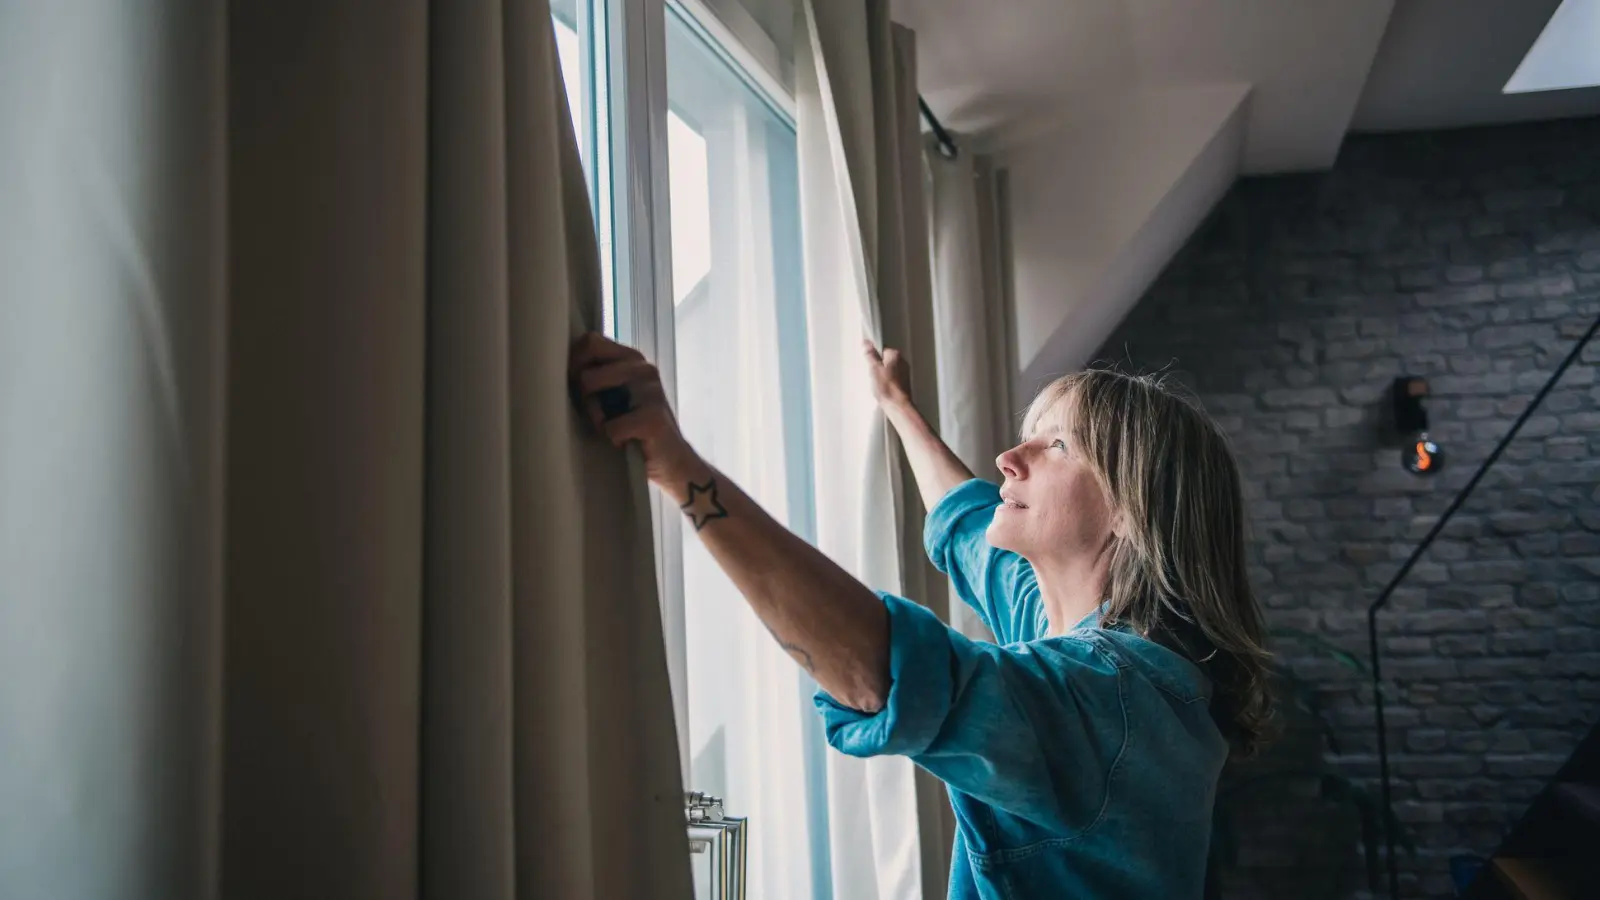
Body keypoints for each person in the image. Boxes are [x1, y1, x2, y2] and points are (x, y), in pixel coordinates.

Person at [569, 330, 1274, 899]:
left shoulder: (1114, 700)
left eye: (1055, 445)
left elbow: (883, 669)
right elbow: (965, 523)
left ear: (1130, 508)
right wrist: (898, 407)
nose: (1008, 457)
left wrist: (677, 464)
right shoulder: (1063, 620)